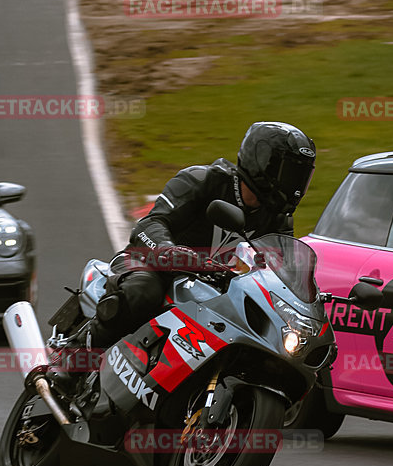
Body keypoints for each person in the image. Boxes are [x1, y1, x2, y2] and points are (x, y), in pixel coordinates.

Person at [84, 121, 317, 356]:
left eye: (301, 177)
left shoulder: (278, 219)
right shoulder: (202, 180)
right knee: (143, 291)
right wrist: (168, 251)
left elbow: (281, 270)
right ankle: (77, 357)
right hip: (151, 265)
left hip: (212, 290)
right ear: (262, 163)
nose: (295, 186)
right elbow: (148, 225)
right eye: (289, 174)